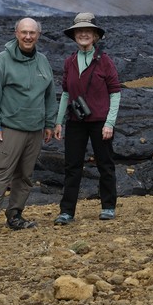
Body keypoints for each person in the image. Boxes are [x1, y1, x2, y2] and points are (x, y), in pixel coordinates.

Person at [0, 17, 57, 236]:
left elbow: (50, 95)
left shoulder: (43, 61)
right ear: (16, 33)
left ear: (38, 35)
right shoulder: (1, 61)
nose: (28, 36)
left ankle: (15, 216)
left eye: (32, 33)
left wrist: (50, 122)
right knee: (1, 173)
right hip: (10, 127)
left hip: (35, 129)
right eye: (24, 32)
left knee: (25, 176)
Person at [53, 13, 122, 224]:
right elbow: (65, 93)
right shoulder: (69, 62)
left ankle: (108, 206)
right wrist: (58, 121)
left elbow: (115, 92)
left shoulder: (105, 61)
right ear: (74, 35)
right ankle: (67, 212)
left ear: (95, 35)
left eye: (87, 31)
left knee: (105, 165)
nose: (83, 34)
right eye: (79, 31)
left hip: (101, 122)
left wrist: (110, 122)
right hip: (75, 121)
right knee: (72, 166)